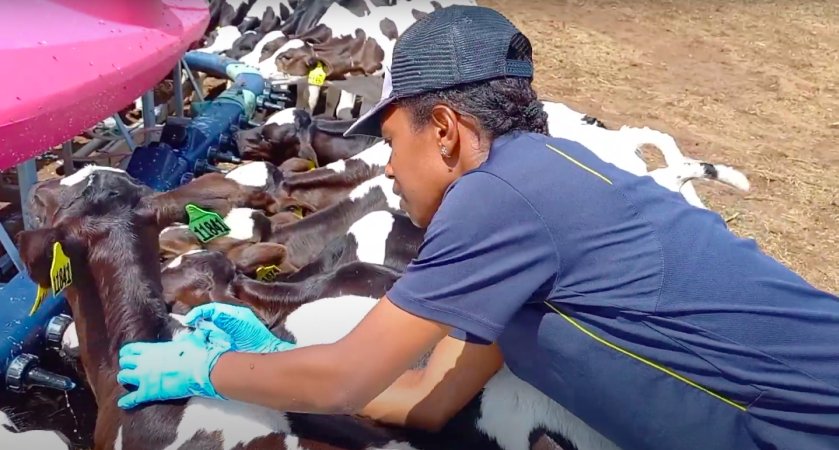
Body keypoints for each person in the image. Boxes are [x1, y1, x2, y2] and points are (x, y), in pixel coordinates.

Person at [115, 5, 839, 450]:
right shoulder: (546, 178)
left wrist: (205, 368)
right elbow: (428, 402)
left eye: (394, 140)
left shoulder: (496, 197)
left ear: (447, 131)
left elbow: (340, 381)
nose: (390, 169)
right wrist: (273, 359)